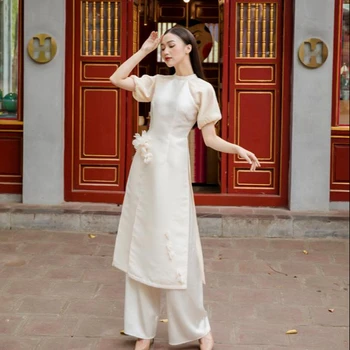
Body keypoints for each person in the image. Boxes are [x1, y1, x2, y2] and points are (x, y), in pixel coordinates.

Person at [110, 27, 260, 350]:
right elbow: (117, 78)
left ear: (189, 48)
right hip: (146, 170)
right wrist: (145, 51)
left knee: (178, 249)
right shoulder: (157, 82)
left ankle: (200, 328)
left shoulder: (202, 89)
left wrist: (238, 149)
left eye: (170, 45)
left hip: (174, 169)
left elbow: (210, 138)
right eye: (162, 46)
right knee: (143, 243)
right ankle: (143, 330)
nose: (165, 51)